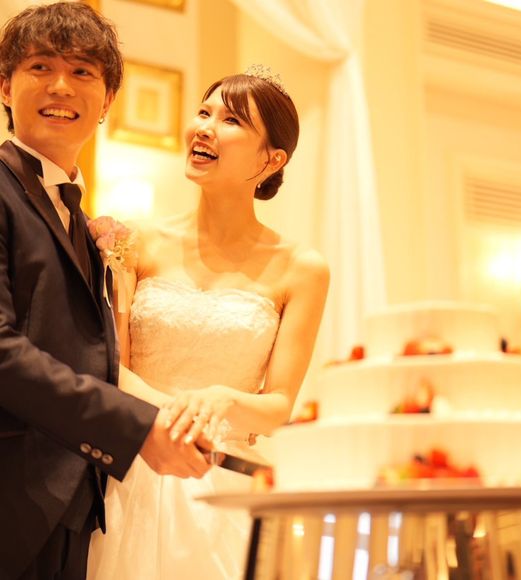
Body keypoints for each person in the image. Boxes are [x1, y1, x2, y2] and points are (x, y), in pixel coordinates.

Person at [87, 67, 330, 579]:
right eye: (203, 112)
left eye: (231, 120)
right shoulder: (134, 242)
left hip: (226, 486)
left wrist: (226, 401)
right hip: (132, 473)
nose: (204, 128)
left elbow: (279, 406)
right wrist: (175, 418)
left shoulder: (302, 268)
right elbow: (112, 367)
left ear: (272, 159)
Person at [0, 3, 211, 579]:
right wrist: (133, 428)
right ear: (6, 87)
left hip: (74, 505)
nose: (61, 86)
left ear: (108, 99)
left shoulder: (77, 214)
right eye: (40, 67)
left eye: (82, 72)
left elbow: (88, 353)